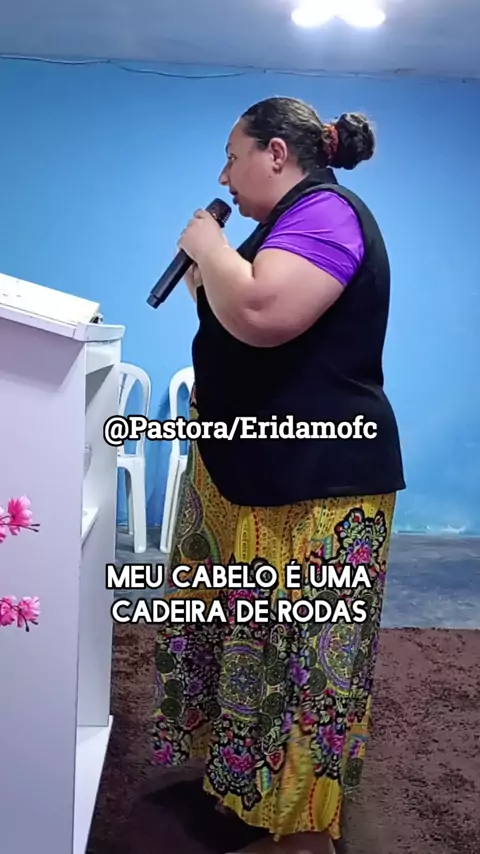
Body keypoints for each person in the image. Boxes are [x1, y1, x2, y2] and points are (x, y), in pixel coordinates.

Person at [151, 96, 405, 854]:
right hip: (261, 465)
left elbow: (263, 312)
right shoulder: (281, 226)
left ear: (276, 154)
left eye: (233, 157)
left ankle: (300, 832)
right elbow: (236, 323)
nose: (223, 175)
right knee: (250, 641)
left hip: (318, 479)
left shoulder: (326, 212)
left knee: (300, 659)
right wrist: (210, 267)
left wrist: (208, 244)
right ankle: (245, 786)